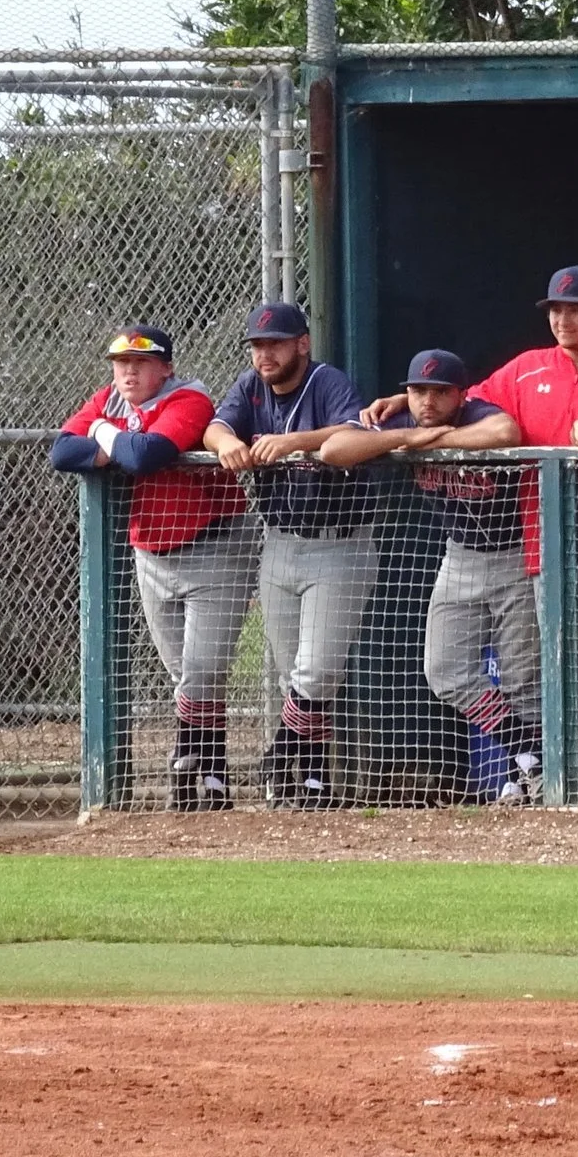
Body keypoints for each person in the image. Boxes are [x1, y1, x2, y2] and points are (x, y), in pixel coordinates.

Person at [370, 268, 578, 784]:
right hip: (540, 537)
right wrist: (400, 408)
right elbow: (462, 403)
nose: (562, 319)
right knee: (539, 667)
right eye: (555, 310)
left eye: (574, 309)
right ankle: (553, 770)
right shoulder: (526, 369)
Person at [318, 350, 540, 805]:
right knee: (444, 671)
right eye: (419, 391)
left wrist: (437, 439)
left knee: (523, 679)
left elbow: (506, 431)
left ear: (461, 393)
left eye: (440, 392)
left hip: (515, 554)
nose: (428, 402)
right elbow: (333, 450)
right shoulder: (403, 420)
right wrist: (405, 435)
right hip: (459, 557)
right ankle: (528, 755)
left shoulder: (477, 411)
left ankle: (532, 778)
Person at [50, 324, 253, 811]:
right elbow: (60, 451)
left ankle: (188, 766)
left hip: (216, 544)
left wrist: (102, 433)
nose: (129, 372)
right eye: (121, 364)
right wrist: (112, 435)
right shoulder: (110, 398)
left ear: (166, 368)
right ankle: (213, 777)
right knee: (182, 671)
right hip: (153, 550)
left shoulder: (189, 401)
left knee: (201, 670)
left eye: (141, 364)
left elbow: (145, 456)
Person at [205, 302, 371, 808]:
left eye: (274, 343)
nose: (264, 354)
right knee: (290, 673)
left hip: (339, 541)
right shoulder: (251, 386)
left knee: (316, 671)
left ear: (301, 343)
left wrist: (295, 441)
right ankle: (314, 782)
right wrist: (225, 442)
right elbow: (215, 426)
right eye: (257, 345)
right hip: (279, 541)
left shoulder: (326, 381)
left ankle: (280, 753)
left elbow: (356, 433)